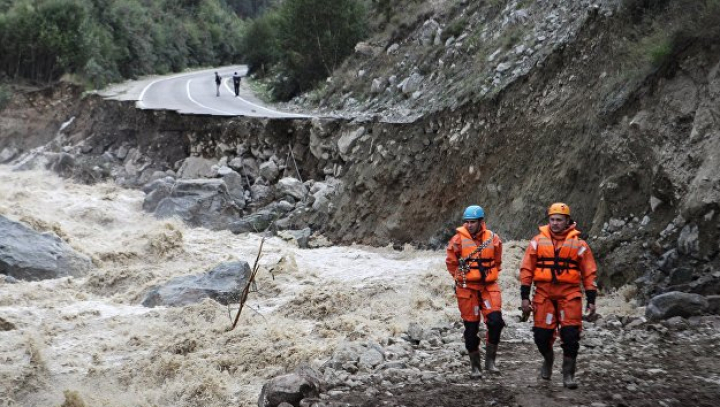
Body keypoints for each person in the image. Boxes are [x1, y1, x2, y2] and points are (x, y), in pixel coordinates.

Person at [519, 202, 598, 389]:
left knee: (571, 336)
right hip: (544, 295)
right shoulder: (537, 242)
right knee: (541, 337)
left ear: (567, 221)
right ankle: (548, 359)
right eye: (552, 219)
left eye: (559, 220)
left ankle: (568, 373)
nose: (555, 223)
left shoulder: (580, 244)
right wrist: (524, 297)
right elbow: (526, 270)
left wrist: (592, 300)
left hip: (569, 295)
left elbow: (589, 273)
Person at [446, 205, 505, 378]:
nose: (469, 225)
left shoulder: (493, 239)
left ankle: (490, 362)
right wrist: (461, 278)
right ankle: (475, 366)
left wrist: (488, 275)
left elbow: (498, 261)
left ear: (481, 222)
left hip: (488, 286)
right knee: (470, 329)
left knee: (496, 321)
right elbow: (451, 263)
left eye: (473, 222)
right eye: (467, 222)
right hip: (467, 289)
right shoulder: (457, 241)